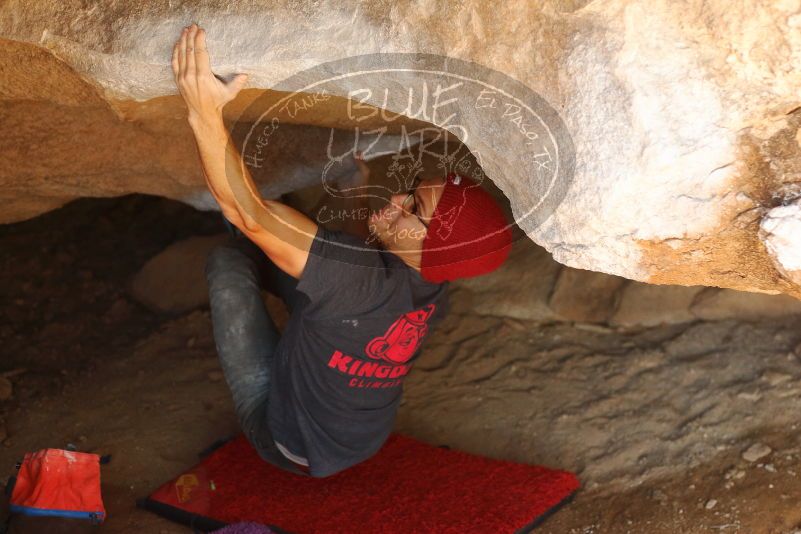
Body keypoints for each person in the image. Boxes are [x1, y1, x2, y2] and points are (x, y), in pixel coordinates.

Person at [172, 23, 514, 478]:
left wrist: (202, 112)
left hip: (289, 443)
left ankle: (274, 346)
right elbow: (354, 269)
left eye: (413, 207)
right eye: (411, 189)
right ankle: (291, 293)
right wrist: (357, 191)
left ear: (432, 246)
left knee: (231, 256)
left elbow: (248, 214)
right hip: (362, 439)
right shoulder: (432, 287)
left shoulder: (357, 286)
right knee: (300, 260)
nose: (397, 200)